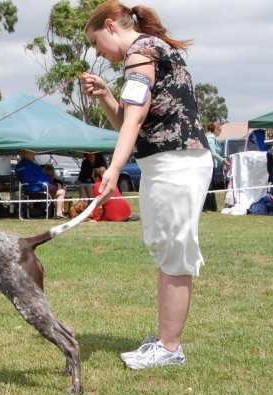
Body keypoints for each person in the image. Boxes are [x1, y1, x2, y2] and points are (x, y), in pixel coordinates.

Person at [80, 1, 213, 369]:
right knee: (165, 248)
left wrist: (113, 169)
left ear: (110, 26)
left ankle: (169, 349)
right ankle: (165, 341)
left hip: (176, 162)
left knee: (174, 251)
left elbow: (134, 120)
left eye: (96, 44)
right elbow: (128, 118)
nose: (97, 53)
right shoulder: (149, 51)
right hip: (166, 162)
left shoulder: (141, 52)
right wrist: (107, 95)